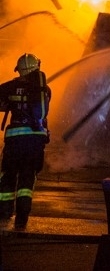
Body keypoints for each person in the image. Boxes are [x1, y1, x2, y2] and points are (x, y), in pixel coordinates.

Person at [0, 53, 51, 229]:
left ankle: (4, 212)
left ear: (20, 70)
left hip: (14, 141)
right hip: (34, 141)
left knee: (8, 175)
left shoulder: (9, 87)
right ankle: (22, 218)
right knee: (27, 179)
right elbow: (42, 113)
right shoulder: (44, 90)